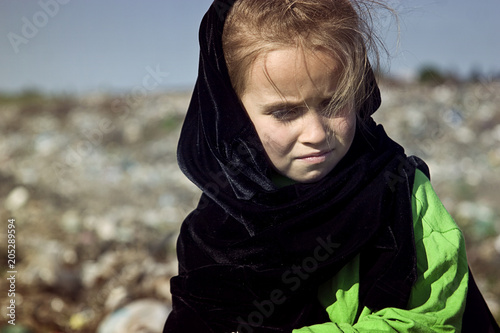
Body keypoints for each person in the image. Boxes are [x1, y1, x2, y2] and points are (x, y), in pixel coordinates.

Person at [163, 0, 500, 332]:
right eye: (285, 112)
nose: (315, 134)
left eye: (335, 102)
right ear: (233, 113)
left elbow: (434, 318)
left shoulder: (399, 191)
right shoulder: (217, 226)